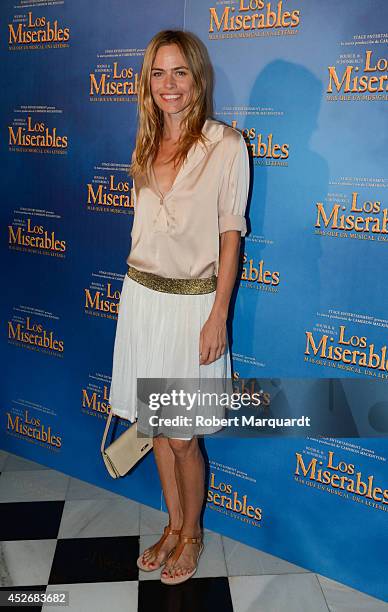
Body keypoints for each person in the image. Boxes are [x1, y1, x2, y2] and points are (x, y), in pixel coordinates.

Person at [108, 29, 250, 586]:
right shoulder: (145, 143)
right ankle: (171, 525)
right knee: (157, 428)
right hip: (141, 300)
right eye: (159, 73)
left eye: (180, 72)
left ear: (198, 78)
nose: (169, 85)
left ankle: (192, 534)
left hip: (192, 308)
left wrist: (217, 315)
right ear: (149, 82)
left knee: (183, 435)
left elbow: (230, 235)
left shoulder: (226, 145)